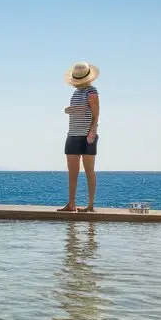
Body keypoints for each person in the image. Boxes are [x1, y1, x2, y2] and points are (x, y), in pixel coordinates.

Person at [59, 61, 100, 212]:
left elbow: (96, 115)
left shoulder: (92, 91)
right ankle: (71, 204)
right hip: (73, 135)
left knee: (89, 171)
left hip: (87, 136)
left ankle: (90, 205)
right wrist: (69, 110)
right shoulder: (76, 93)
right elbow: (80, 110)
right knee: (72, 173)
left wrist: (92, 133)